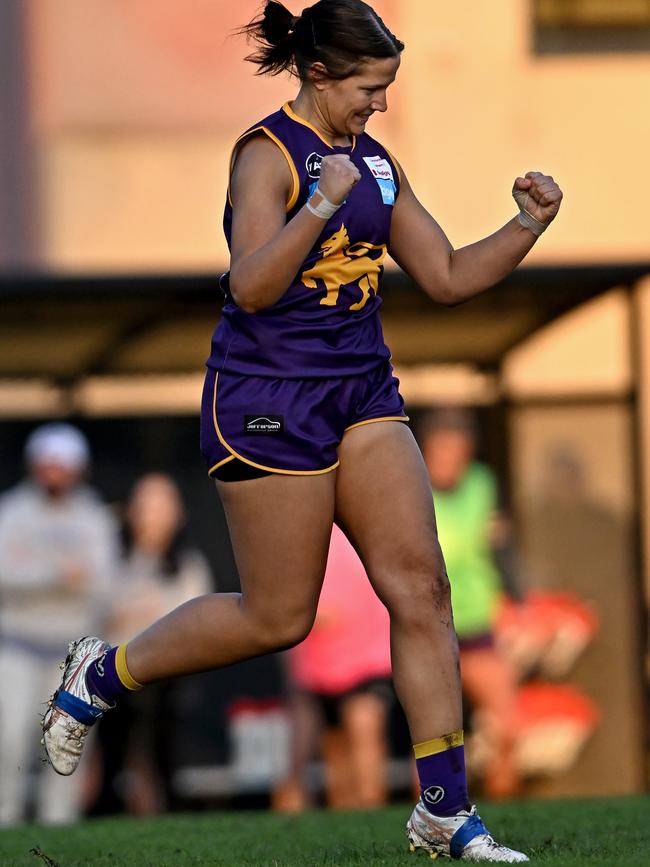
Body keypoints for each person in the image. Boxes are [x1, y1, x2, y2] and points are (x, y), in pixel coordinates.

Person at [42, 1, 562, 859]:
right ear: (319, 73)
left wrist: (528, 225)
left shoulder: (377, 165)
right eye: (368, 87)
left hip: (360, 392)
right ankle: (104, 671)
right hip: (267, 397)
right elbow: (249, 285)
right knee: (278, 616)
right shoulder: (266, 156)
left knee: (424, 590)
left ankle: (443, 810)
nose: (379, 105)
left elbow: (449, 274)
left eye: (387, 88)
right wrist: (319, 203)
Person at [0, 423, 117, 825]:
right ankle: (5, 819)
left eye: (62, 465)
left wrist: (36, 575)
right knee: (9, 740)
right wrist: (54, 575)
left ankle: (59, 824)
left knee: (65, 743)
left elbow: (101, 582)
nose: (54, 473)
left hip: (71, 654)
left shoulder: (92, 516)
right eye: (48, 464)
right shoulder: (13, 510)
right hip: (16, 645)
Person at [90, 473, 213, 815]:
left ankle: (167, 816)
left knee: (164, 756)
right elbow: (97, 613)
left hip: (165, 679)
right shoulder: (111, 561)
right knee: (113, 757)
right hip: (114, 677)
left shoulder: (188, 567)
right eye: (145, 506)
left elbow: (196, 622)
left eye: (161, 506)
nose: (151, 516)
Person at [419, 408, 523, 801]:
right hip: (429, 626)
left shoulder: (482, 484)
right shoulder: (409, 487)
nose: (449, 458)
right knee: (436, 740)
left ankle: (504, 807)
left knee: (509, 726)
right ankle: (436, 817)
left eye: (456, 448)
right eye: (440, 448)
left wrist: (519, 599)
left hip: (477, 623)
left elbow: (500, 547)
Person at [273, 522, 393, 811]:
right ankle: (352, 832)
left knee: (365, 730)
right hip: (318, 660)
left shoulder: (368, 523)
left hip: (368, 653)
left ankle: (372, 817)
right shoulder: (299, 529)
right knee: (335, 758)